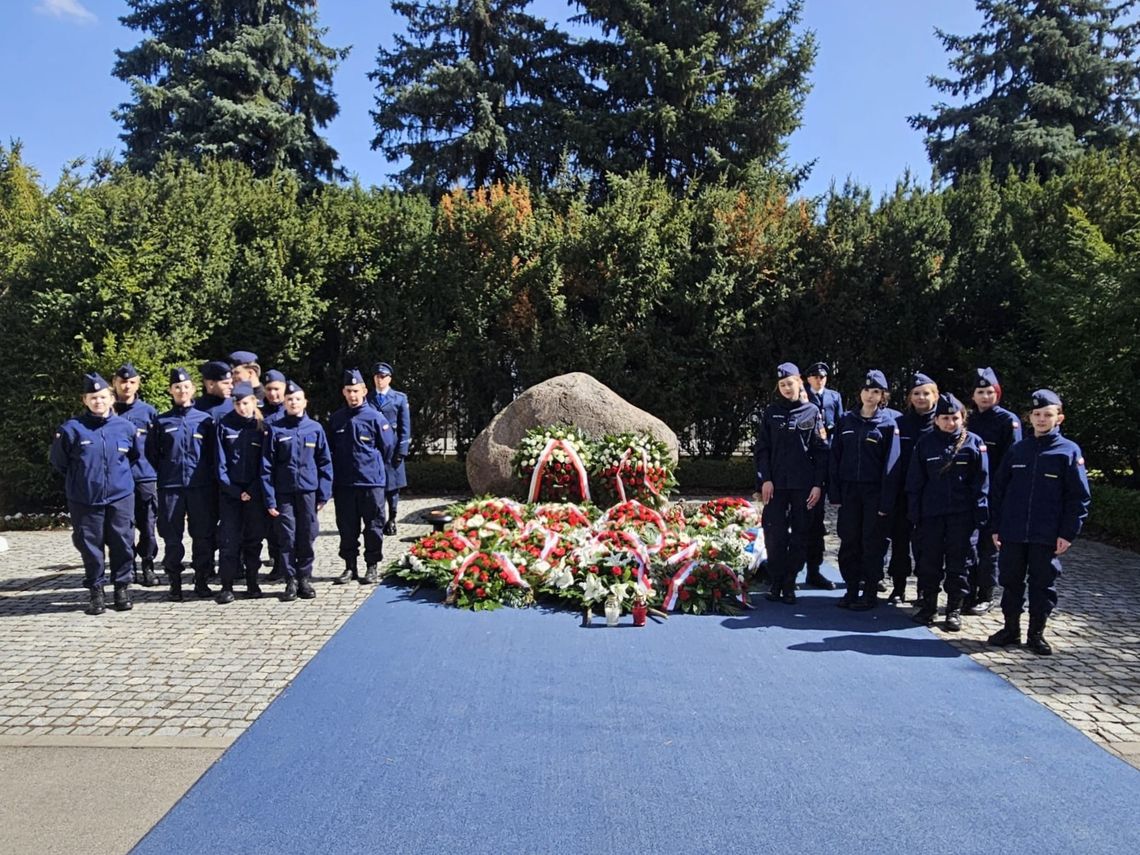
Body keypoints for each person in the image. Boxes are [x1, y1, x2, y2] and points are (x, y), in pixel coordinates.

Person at [988, 390, 1091, 655]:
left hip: (1046, 534)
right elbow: (998, 490)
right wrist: (996, 527)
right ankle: (1011, 629)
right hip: (1013, 531)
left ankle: (1036, 634)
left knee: (1042, 585)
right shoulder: (1018, 450)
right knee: (1010, 581)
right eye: (1037, 415)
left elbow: (1078, 497)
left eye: (1048, 415)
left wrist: (1068, 533)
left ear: (1059, 418)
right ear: (1030, 418)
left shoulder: (1068, 452)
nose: (1042, 419)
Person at [50, 373, 142, 615]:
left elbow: (134, 457)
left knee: (123, 543)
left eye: (102, 397)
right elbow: (60, 462)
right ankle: (96, 591)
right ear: (85, 400)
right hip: (85, 498)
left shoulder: (126, 427)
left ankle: (122, 587)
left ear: (111, 398)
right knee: (90, 546)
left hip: (120, 496)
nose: (98, 401)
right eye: (93, 398)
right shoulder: (72, 429)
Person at [905, 393, 989, 630]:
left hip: (962, 516)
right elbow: (915, 481)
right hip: (931, 514)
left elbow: (981, 482)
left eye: (954, 418)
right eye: (944, 418)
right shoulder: (925, 443)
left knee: (958, 565)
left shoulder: (974, 443)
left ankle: (953, 610)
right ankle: (928, 607)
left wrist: (980, 514)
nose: (950, 423)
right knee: (929, 562)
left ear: (962, 418)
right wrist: (914, 512)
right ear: (936, 420)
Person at [754, 362, 828, 604]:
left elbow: (820, 452)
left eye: (790, 383)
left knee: (800, 535)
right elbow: (762, 449)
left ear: (800, 382)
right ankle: (776, 581)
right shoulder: (770, 412)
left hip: (803, 486)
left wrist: (818, 484)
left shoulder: (812, 412)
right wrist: (765, 479)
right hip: (776, 485)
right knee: (774, 534)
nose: (787, 388)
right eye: (782, 384)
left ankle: (789, 582)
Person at [828, 370, 901, 609]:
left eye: (876, 392)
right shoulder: (846, 421)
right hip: (849, 492)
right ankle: (850, 589)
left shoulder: (889, 425)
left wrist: (885, 502)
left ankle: (870, 592)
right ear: (860, 392)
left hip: (874, 493)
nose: (870, 396)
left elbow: (892, 466)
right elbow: (835, 458)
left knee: (872, 543)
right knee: (849, 541)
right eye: (867, 390)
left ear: (883, 396)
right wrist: (835, 493)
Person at [262, 380, 333, 602]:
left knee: (307, 535)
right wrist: (270, 498)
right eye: (289, 399)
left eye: (297, 399)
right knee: (287, 537)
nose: (293, 402)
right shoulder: (275, 429)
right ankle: (290, 580)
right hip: (283, 493)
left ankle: (304, 578)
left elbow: (325, 463)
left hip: (308, 492)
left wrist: (324, 493)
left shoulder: (315, 429)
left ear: (305, 402)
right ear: (284, 402)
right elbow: (266, 466)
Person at [155, 368, 219, 600]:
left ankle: (201, 580)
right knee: (172, 537)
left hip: (200, 486)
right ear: (171, 391)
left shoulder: (205, 420)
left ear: (193, 389)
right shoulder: (161, 421)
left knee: (202, 535)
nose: (182, 391)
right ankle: (175, 583)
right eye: (177, 387)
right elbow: (152, 454)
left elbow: (213, 454)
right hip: (171, 487)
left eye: (185, 387)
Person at [964, 367, 1022, 615]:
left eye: (990, 392)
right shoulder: (969, 420)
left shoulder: (1008, 421)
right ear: (973, 396)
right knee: (969, 546)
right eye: (980, 392)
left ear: (997, 393)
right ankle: (967, 591)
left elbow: (1013, 460)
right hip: (968, 492)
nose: (985, 397)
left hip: (995, 494)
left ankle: (985, 594)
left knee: (989, 549)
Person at [330, 369, 396, 585]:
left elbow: (387, 448)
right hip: (345, 484)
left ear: (364, 391)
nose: (353, 395)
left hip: (371, 482)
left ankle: (372, 566)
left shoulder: (376, 418)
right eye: (349, 391)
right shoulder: (337, 419)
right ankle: (350, 567)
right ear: (343, 392)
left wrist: (373, 469)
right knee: (347, 528)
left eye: (356, 391)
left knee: (374, 526)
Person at [886, 372, 939, 603]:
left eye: (926, 393)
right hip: (902, 494)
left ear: (935, 396)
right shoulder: (899, 424)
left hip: (929, 496)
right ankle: (898, 587)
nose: (921, 397)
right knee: (899, 543)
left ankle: (923, 590)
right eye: (916, 393)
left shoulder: (941, 425)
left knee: (925, 546)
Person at [214, 382, 267, 604]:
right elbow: (220, 463)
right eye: (238, 403)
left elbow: (265, 462)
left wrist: (252, 490)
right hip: (230, 494)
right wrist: (235, 491)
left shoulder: (261, 427)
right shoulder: (224, 425)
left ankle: (253, 583)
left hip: (255, 493)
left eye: (246, 403)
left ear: (254, 402)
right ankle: (227, 586)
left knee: (253, 540)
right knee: (229, 540)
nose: (242, 407)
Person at [112, 362, 160, 587]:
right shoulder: (107, 411)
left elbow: (159, 446)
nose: (127, 386)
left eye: (131, 382)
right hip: (119, 480)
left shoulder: (148, 412)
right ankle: (127, 567)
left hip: (144, 477)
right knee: (123, 528)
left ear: (138, 383)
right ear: (115, 383)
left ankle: (148, 564)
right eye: (123, 382)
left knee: (148, 527)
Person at [803, 362, 843, 590]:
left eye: (823, 376)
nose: (820, 380)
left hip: (826, 458)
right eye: (816, 376)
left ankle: (814, 569)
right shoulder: (802, 395)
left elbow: (837, 425)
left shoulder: (834, 397)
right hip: (807, 463)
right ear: (808, 379)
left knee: (817, 520)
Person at [367, 362, 411, 536]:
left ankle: (392, 519)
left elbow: (404, 426)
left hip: (392, 448)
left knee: (393, 488)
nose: (380, 380)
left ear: (389, 379)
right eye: (377, 377)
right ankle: (378, 519)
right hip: (374, 449)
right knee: (375, 487)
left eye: (383, 377)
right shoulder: (368, 399)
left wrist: (402, 450)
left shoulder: (399, 398)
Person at [260, 368, 288, 581]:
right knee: (269, 525)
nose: (273, 394)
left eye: (276, 389)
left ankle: (286, 564)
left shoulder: (290, 411)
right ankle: (275, 561)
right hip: (263, 475)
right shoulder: (258, 411)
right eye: (268, 389)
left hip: (285, 477)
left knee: (284, 524)